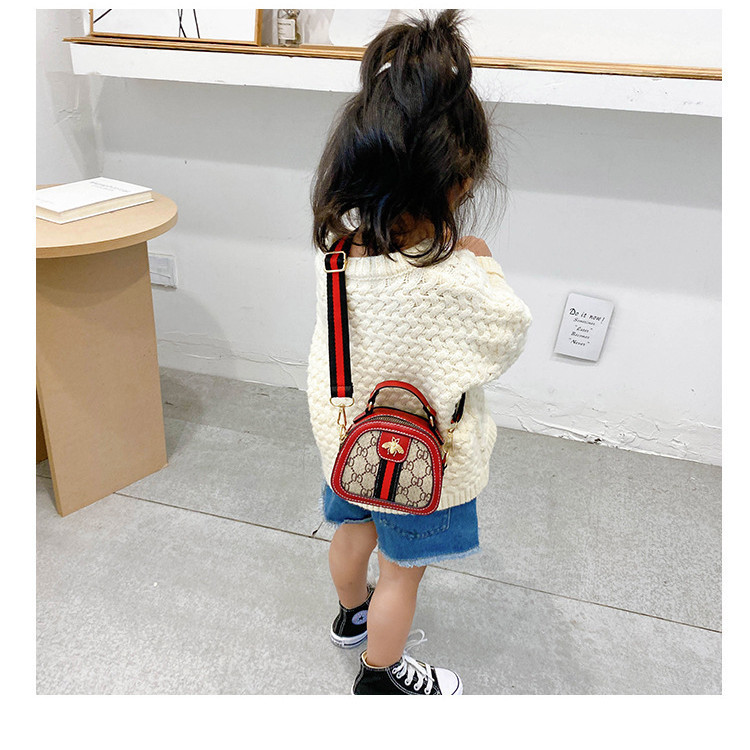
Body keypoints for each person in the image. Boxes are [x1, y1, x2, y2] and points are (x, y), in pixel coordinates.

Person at [306, 10, 532, 695]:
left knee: (351, 534)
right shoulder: (461, 276)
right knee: (401, 576)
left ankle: (351, 616)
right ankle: (382, 676)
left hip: (349, 443)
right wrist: (485, 263)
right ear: (460, 180)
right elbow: (506, 337)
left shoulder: (339, 258)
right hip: (419, 463)